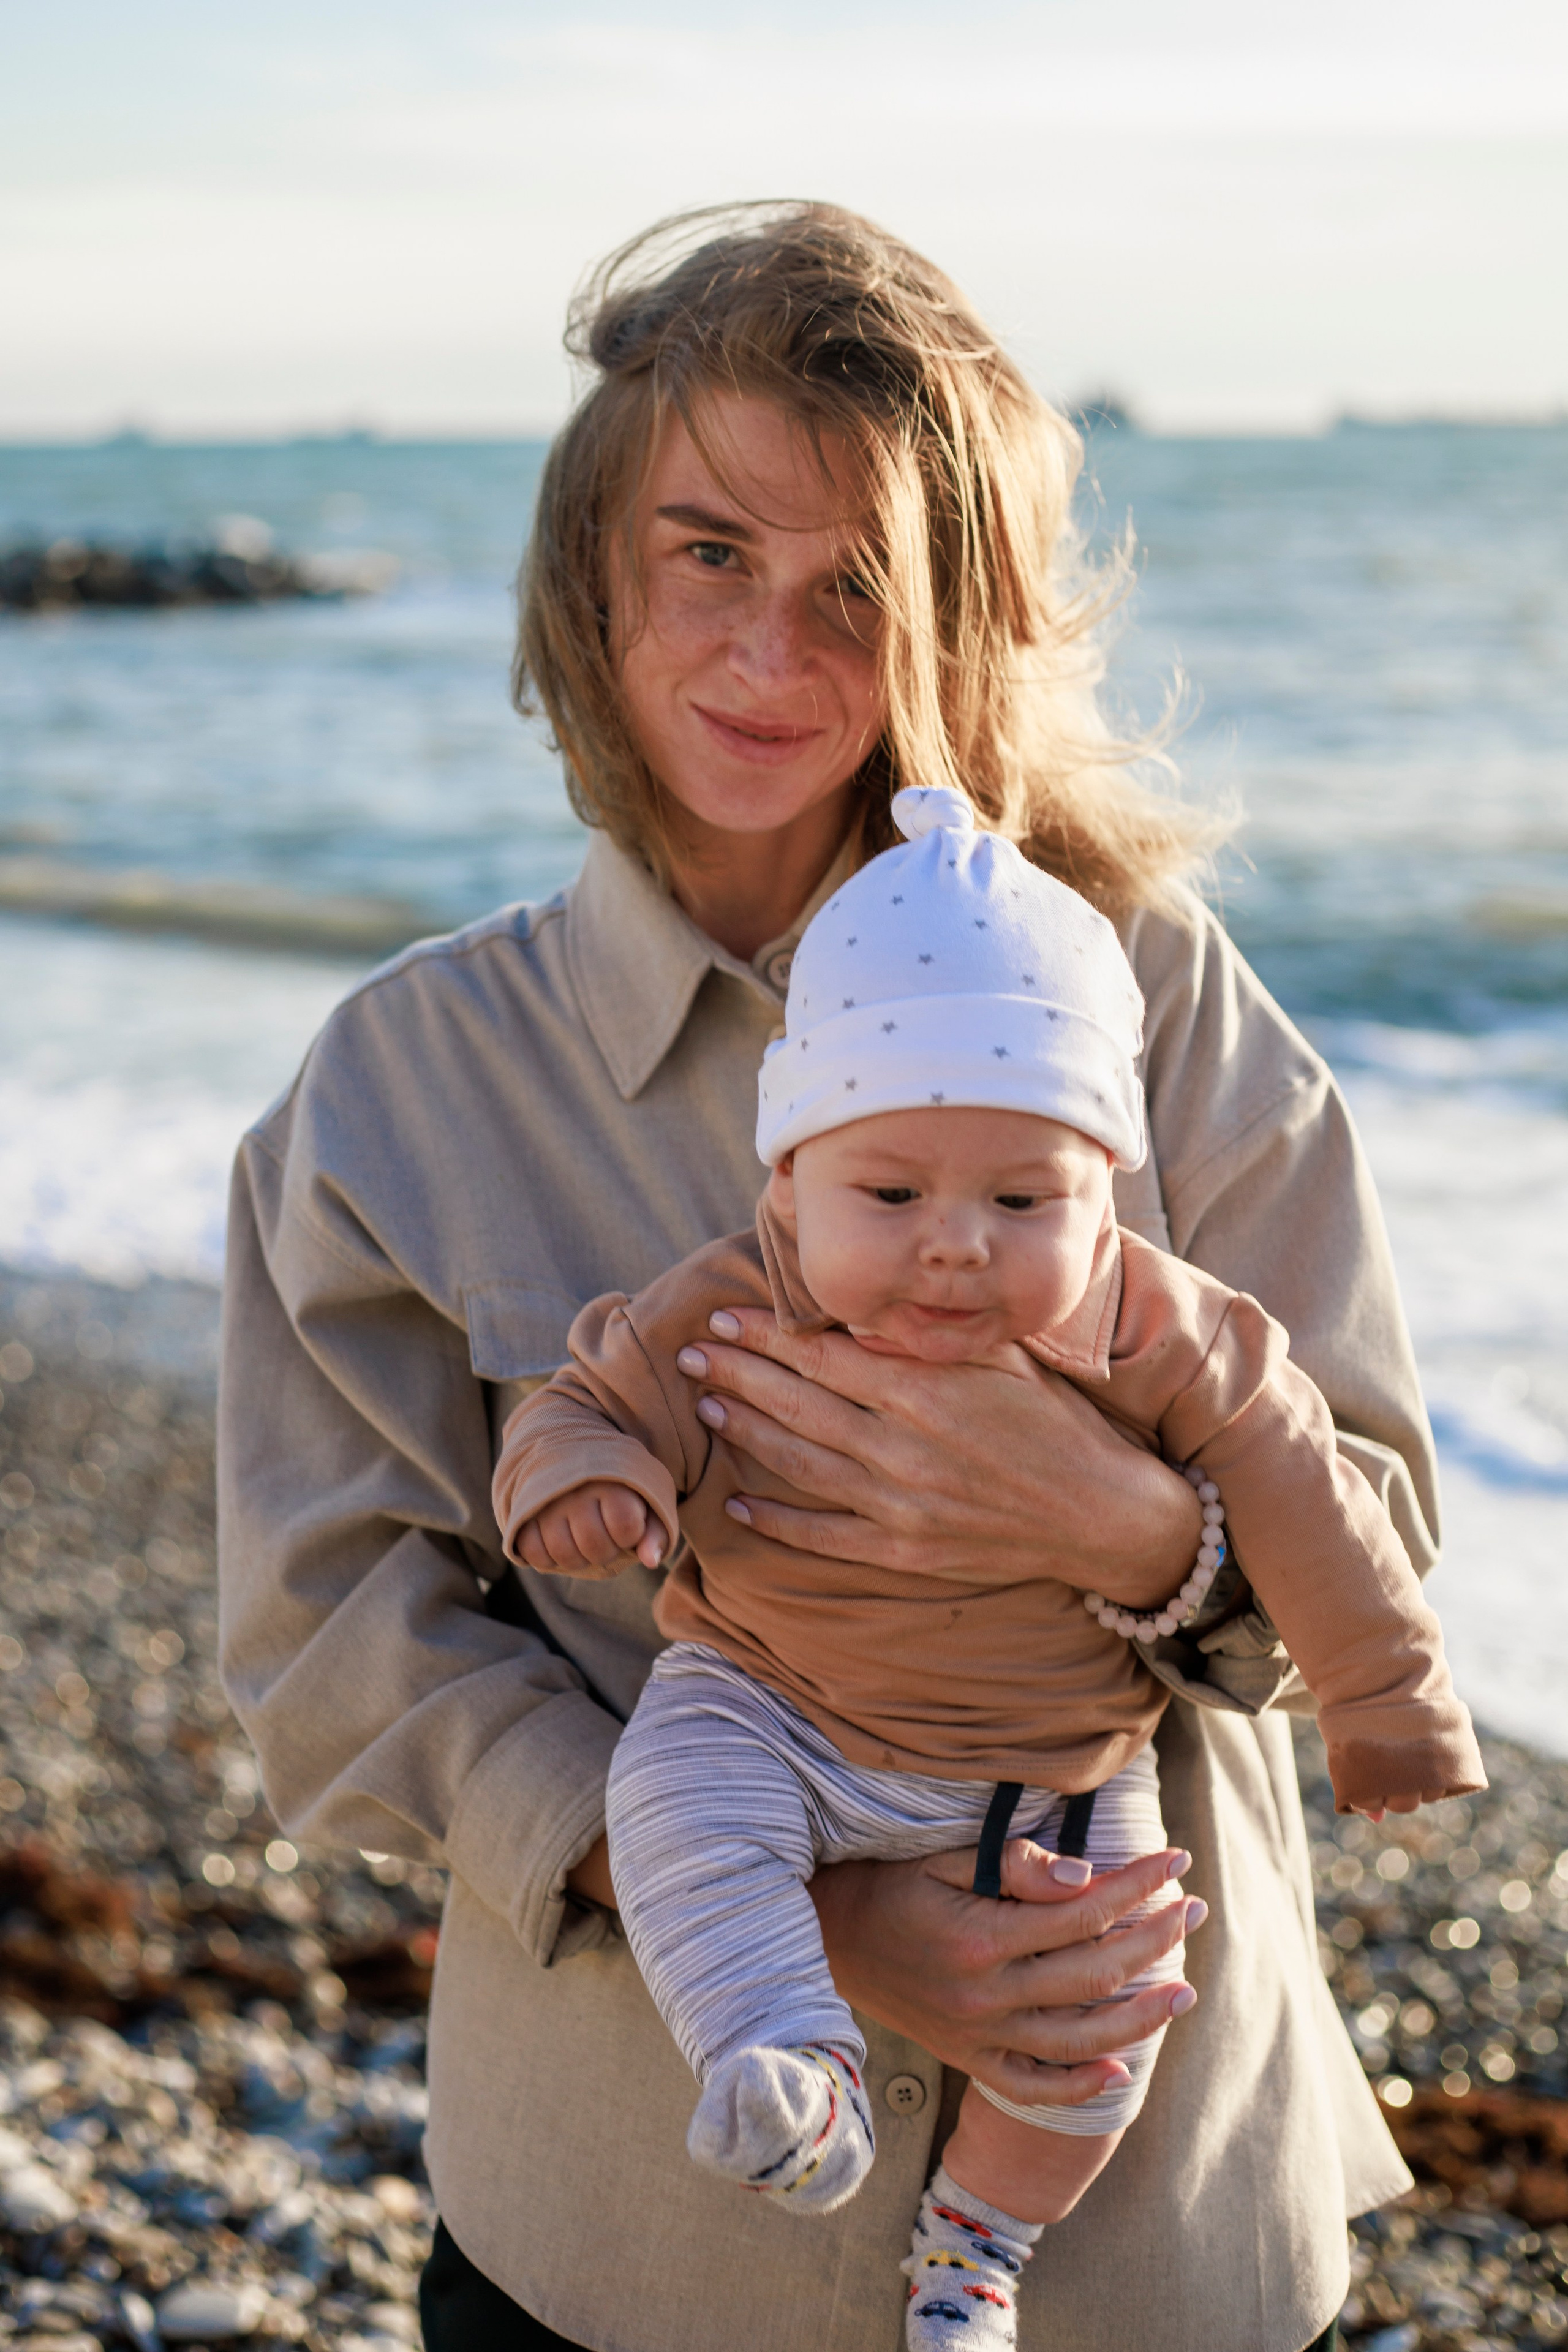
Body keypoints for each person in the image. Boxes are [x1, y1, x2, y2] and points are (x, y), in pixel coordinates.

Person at [217, 202, 1435, 2352]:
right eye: (708, 555)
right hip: (624, 2251)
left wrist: (1136, 1537)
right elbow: (330, 1645)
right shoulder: (403, 1084)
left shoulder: (1160, 1005)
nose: (771, 656)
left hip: (1149, 2257)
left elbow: (1386, 1539)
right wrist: (785, 1915)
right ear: (596, 577)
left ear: (966, 620)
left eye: (857, 587)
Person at [492, 783, 1482, 2350]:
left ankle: (976, 2248)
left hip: (1052, 1766)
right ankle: (788, 2059)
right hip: (777, 1711)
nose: (954, 1242)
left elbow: (1309, 1491)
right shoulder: (735, 1299)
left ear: (1104, 1193)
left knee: (1105, 2008)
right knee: (676, 1806)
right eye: (887, 1196)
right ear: (788, 1184)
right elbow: (592, 1396)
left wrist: (1383, 1702)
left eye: (1023, 1201)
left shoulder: (1158, 1326)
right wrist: (589, 1480)